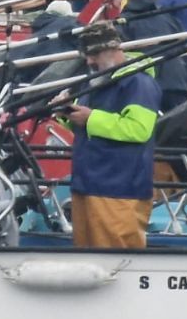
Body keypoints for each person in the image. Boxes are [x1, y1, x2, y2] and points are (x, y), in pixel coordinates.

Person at [58, 21, 161, 250]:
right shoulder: (97, 82)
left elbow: (139, 129)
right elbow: (88, 123)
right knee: (88, 260)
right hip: (87, 185)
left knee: (116, 260)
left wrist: (90, 118)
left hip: (119, 190)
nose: (89, 61)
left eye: (94, 54)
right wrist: (66, 114)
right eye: (86, 55)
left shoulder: (139, 83)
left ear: (114, 50)